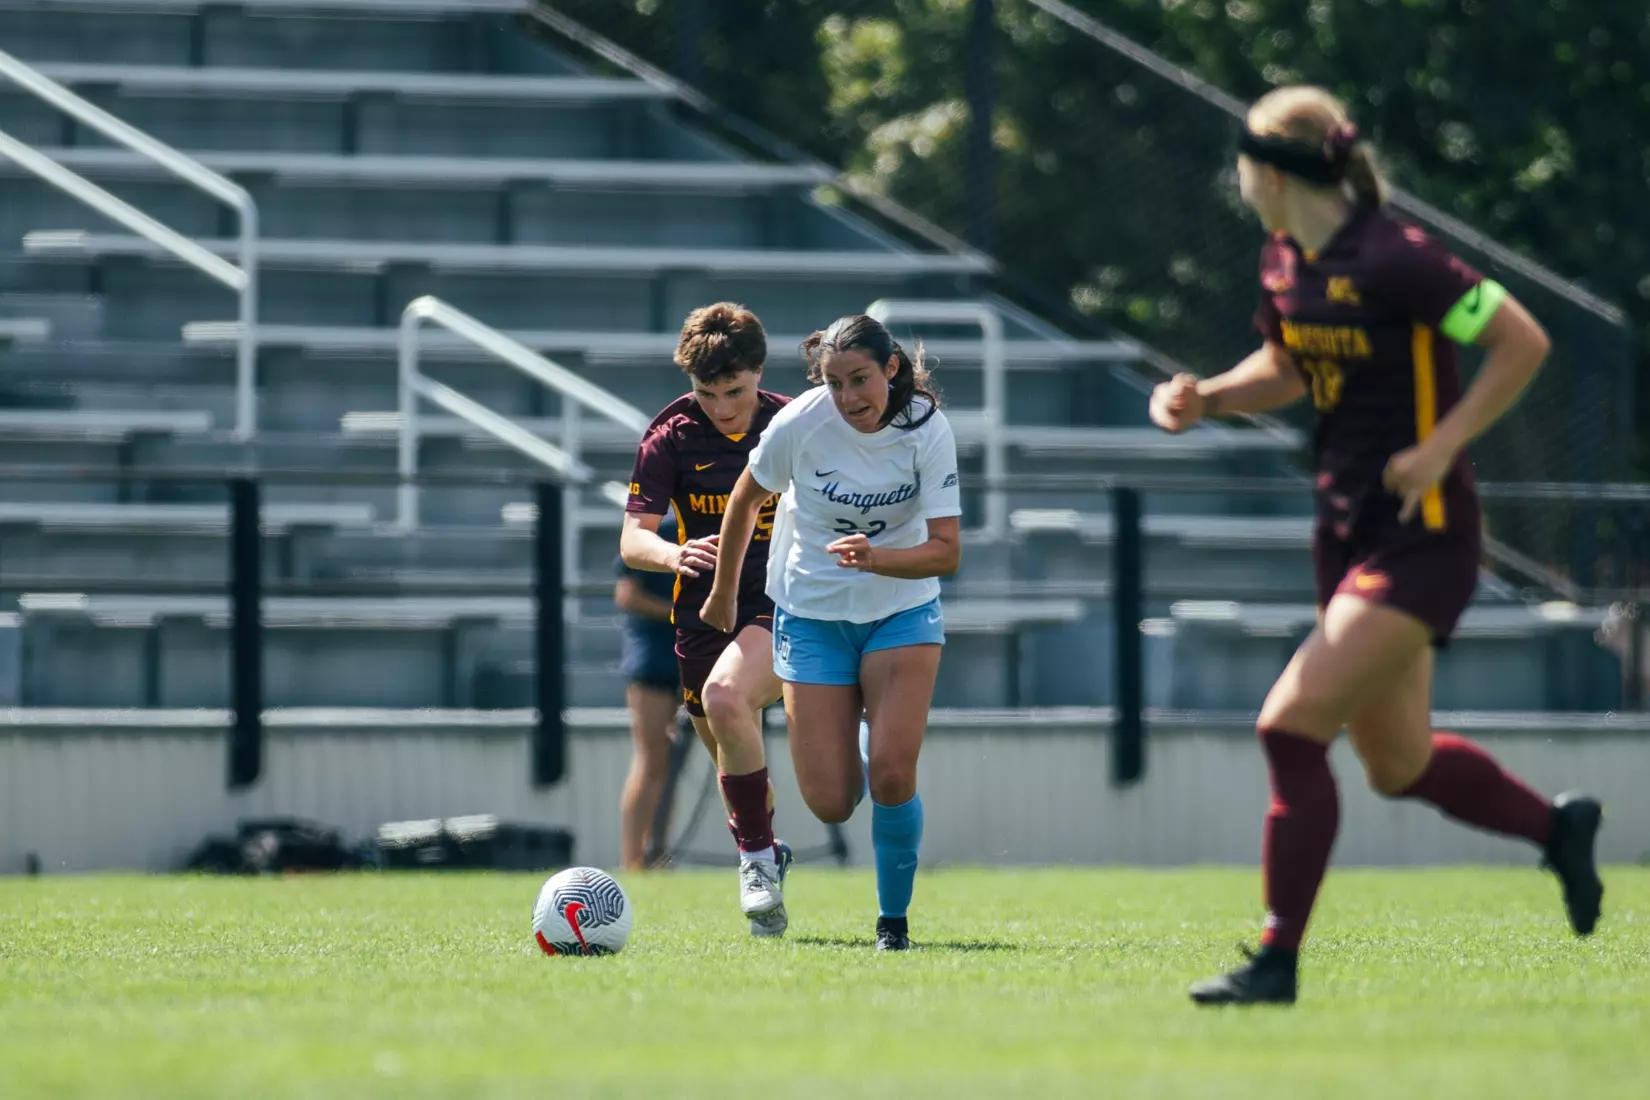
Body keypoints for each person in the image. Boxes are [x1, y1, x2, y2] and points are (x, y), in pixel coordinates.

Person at [1148, 85, 1603, 1005]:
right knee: (1398, 765)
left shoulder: (1395, 258)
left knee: (1288, 728)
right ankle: (1559, 831)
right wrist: (1208, 400)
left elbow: (1521, 338)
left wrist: (1442, 446)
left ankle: (1276, 961)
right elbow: (1285, 367)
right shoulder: (1288, 258)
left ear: (1268, 172)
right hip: (1347, 528)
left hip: (1423, 537)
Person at [703, 313, 962, 951]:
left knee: (895, 778)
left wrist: (879, 560)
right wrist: (724, 592)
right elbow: (746, 498)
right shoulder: (801, 425)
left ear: (891, 368)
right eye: (835, 383)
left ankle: (892, 925)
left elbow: (946, 552)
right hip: (813, 614)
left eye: (861, 380)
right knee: (832, 802)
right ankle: (870, 737)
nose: (849, 399)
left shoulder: (926, 428)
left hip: (901, 608)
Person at [619, 302, 794, 937]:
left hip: (780, 604)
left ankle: (753, 864)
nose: (721, 407)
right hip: (700, 613)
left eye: (735, 391)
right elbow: (632, 540)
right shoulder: (670, 434)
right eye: (707, 393)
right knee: (734, 764)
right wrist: (675, 552)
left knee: (726, 699)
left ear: (759, 373)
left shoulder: (792, 423)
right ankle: (766, 856)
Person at [614, 510, 683, 871]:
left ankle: (754, 854)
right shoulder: (662, 528)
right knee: (652, 758)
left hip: (698, 651)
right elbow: (628, 594)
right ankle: (635, 861)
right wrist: (682, 613)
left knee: (733, 760)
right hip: (655, 655)